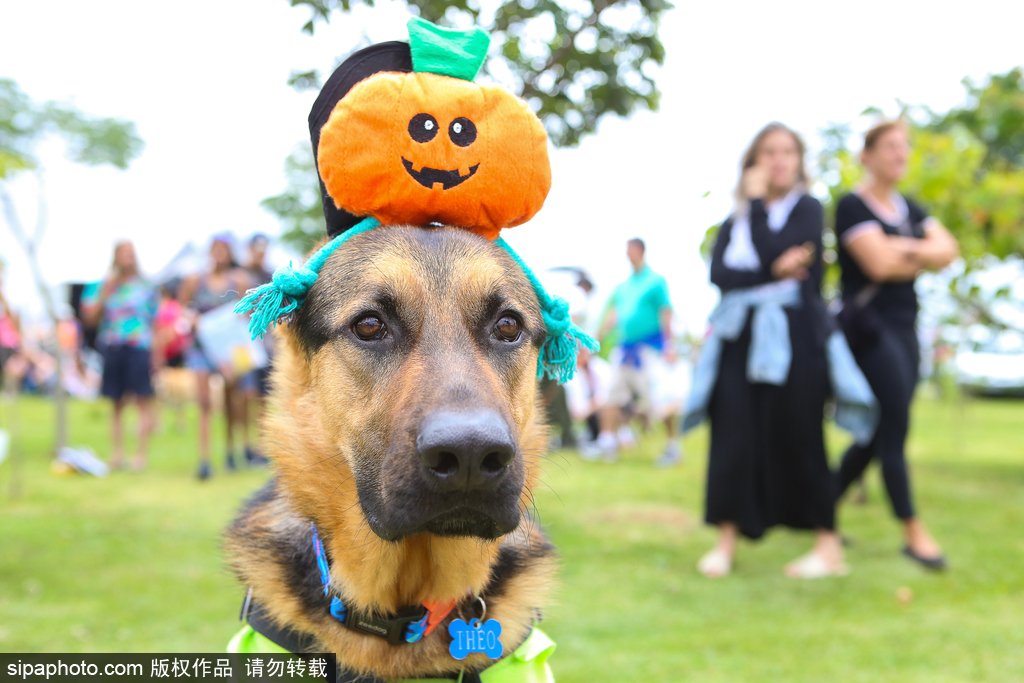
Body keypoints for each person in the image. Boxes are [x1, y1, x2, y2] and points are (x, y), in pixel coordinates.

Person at [693, 122, 847, 578]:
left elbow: (777, 253)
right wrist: (774, 271)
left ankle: (828, 547)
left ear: (799, 161)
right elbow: (721, 275)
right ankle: (726, 541)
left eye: (788, 152)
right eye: (768, 152)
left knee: (802, 434)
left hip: (796, 338)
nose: (779, 160)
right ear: (753, 163)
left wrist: (760, 212)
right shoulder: (731, 222)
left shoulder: (808, 209)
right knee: (733, 436)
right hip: (738, 339)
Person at [833, 120, 959, 570]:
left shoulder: (910, 206)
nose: (900, 155)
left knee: (876, 429)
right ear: (867, 154)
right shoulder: (851, 205)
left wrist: (898, 248)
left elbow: (949, 250)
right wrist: (918, 252)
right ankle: (913, 531)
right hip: (868, 327)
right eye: (890, 147)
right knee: (895, 424)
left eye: (904, 147)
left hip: (907, 326)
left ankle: (822, 503)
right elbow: (879, 265)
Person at [596, 239, 680, 466]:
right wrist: (597, 339)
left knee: (661, 401)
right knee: (611, 396)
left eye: (630, 250)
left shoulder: (656, 281)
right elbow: (615, 315)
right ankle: (607, 444)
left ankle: (673, 447)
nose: (627, 255)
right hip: (625, 349)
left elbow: (665, 312)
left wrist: (669, 346)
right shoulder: (623, 287)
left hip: (649, 350)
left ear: (640, 251)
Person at [179, 234, 253, 480]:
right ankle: (205, 459)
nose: (219, 254)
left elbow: (248, 311)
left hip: (230, 351)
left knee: (233, 401)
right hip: (201, 348)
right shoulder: (194, 280)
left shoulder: (238, 279)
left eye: (224, 250)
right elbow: (181, 309)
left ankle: (232, 451)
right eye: (216, 249)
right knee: (204, 403)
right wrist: (190, 319)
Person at [81, 241, 159, 471]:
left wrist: (157, 354)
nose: (128, 258)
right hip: (113, 345)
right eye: (123, 253)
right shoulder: (101, 285)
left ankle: (140, 455)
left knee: (142, 401)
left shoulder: (146, 286)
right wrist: (106, 291)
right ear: (115, 257)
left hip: (139, 346)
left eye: (130, 253)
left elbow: (155, 321)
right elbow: (89, 320)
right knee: (115, 402)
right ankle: (117, 453)